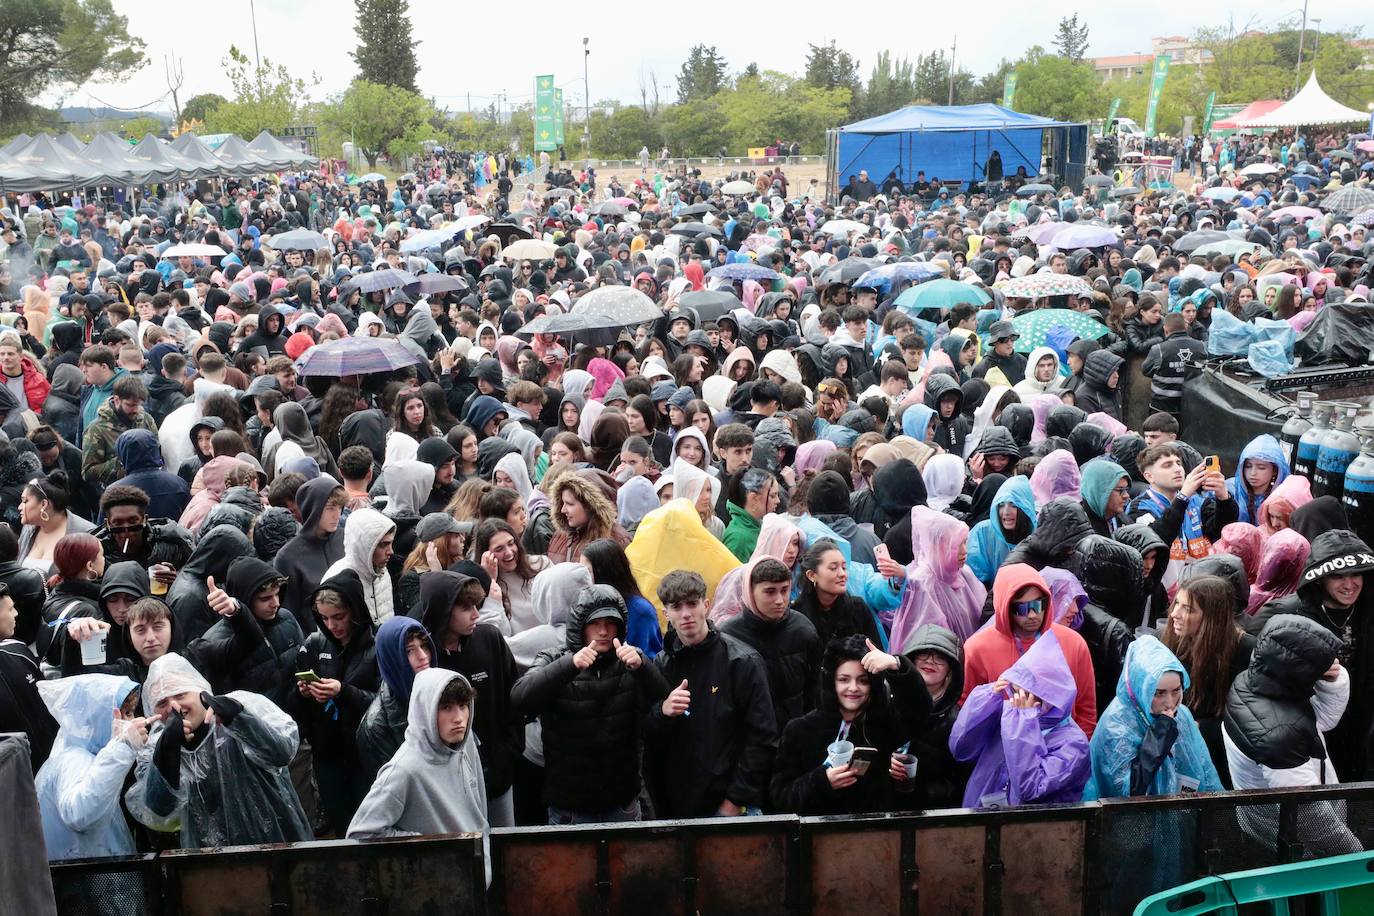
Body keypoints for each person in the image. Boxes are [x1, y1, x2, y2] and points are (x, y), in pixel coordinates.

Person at [510, 584, 670, 824]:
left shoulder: (630, 658)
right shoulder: (554, 658)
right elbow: (520, 699)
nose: (603, 631)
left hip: (621, 801)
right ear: (580, 625)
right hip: (570, 805)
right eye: (595, 624)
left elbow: (663, 700)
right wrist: (569, 665)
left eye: (610, 623)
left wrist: (643, 667)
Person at [130, 653, 312, 848]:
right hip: (211, 860)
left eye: (180, 694)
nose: (173, 706)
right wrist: (167, 752)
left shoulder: (239, 705)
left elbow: (282, 753)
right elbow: (158, 813)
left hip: (276, 843)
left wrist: (242, 719)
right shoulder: (157, 745)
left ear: (199, 690)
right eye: (161, 702)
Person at [1224, 615, 1360, 856]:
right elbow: (1310, 817)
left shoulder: (1257, 683)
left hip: (1272, 825)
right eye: (1322, 663)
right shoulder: (1279, 736)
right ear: (1299, 670)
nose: (1334, 663)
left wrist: (1332, 680)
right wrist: (1355, 856)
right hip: (1290, 842)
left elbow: (1324, 719)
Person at [644, 570, 777, 818]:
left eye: (692, 604)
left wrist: (735, 801)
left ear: (706, 605)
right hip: (677, 806)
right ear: (666, 614)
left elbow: (762, 737)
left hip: (731, 805)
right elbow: (647, 736)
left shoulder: (741, 661)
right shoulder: (661, 665)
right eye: (676, 607)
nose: (686, 614)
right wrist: (662, 712)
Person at [1244, 529, 1374, 780]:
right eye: (1338, 576)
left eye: (1356, 574)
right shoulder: (1286, 613)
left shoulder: (1368, 610)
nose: (1349, 584)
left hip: (1361, 727)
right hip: (1311, 727)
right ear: (1320, 578)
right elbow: (1253, 664)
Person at [347, 669, 491, 884]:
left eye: (463, 706)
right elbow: (361, 834)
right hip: (439, 891)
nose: (459, 718)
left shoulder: (464, 744)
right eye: (446, 708)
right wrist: (430, 849)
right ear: (426, 710)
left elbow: (479, 813)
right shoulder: (404, 769)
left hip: (477, 880)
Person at [770, 634, 930, 815]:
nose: (853, 688)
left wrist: (897, 665)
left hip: (872, 834)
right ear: (831, 682)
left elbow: (919, 711)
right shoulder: (800, 730)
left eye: (862, 681)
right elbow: (780, 797)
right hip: (817, 836)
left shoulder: (884, 724)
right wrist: (822, 781)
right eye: (844, 679)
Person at [416, 569, 521, 828]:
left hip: (497, 775)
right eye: (465, 608)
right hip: (448, 785)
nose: (476, 614)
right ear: (443, 610)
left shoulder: (489, 638)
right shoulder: (424, 657)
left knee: (503, 850)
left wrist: (509, 752)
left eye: (477, 605)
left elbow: (514, 697)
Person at [949, 628, 1091, 808]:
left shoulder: (1074, 745)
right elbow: (961, 749)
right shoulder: (1011, 716)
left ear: (1048, 698)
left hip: (1029, 830)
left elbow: (1030, 789)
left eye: (1024, 693)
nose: (1016, 698)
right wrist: (986, 699)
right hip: (981, 814)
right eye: (1014, 690)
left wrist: (1023, 726)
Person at [961, 564, 1098, 738]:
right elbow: (966, 710)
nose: (1033, 614)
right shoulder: (976, 649)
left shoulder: (1074, 643)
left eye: (1038, 604)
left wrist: (1076, 754)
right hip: (1000, 753)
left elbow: (1086, 710)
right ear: (1005, 607)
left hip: (1061, 754)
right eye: (1022, 608)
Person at [292, 570, 379, 837]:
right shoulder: (315, 643)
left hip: (364, 755)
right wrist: (304, 694)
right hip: (328, 754)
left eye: (338, 617)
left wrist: (343, 691)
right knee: (342, 827)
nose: (332, 625)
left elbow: (384, 704)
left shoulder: (377, 646)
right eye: (325, 618)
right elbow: (294, 708)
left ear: (354, 610)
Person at [1084, 637, 1222, 799]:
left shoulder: (1182, 715)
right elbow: (1126, 794)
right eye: (1158, 693)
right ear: (1141, 688)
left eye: (1176, 691)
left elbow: (1204, 768)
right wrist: (1160, 736)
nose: (1170, 703)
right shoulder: (1116, 726)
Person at [36, 673, 151, 861]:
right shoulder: (74, 760)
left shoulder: (85, 755)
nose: (132, 721)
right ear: (101, 717)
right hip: (83, 885)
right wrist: (123, 745)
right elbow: (80, 813)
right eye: (128, 713)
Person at [720, 558, 822, 733]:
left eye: (784, 590)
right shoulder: (728, 636)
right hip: (749, 738)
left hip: (795, 734)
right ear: (750, 592)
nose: (780, 600)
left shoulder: (803, 629)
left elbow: (815, 688)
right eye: (770, 592)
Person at [357, 616, 437, 780]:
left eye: (423, 646)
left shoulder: (442, 692)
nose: (422, 656)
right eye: (409, 650)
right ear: (392, 657)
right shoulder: (375, 727)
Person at [903, 624, 969, 808]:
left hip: (932, 814)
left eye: (941, 658)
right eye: (924, 653)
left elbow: (959, 780)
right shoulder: (890, 703)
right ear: (912, 659)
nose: (931, 661)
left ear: (951, 669)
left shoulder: (957, 720)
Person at [274, 477, 348, 632]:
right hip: (315, 640)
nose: (337, 515)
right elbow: (289, 613)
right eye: (330, 508)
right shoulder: (287, 557)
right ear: (313, 508)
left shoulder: (346, 538)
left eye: (339, 507)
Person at [0, 581, 60, 772]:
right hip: (12, 787)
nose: (16, 613)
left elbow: (50, 703)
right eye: (10, 609)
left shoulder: (18, 651)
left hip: (52, 767)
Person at [792, 539, 885, 649]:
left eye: (844, 567)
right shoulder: (797, 616)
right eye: (833, 568)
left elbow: (877, 654)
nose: (842, 574)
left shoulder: (857, 608)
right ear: (812, 575)